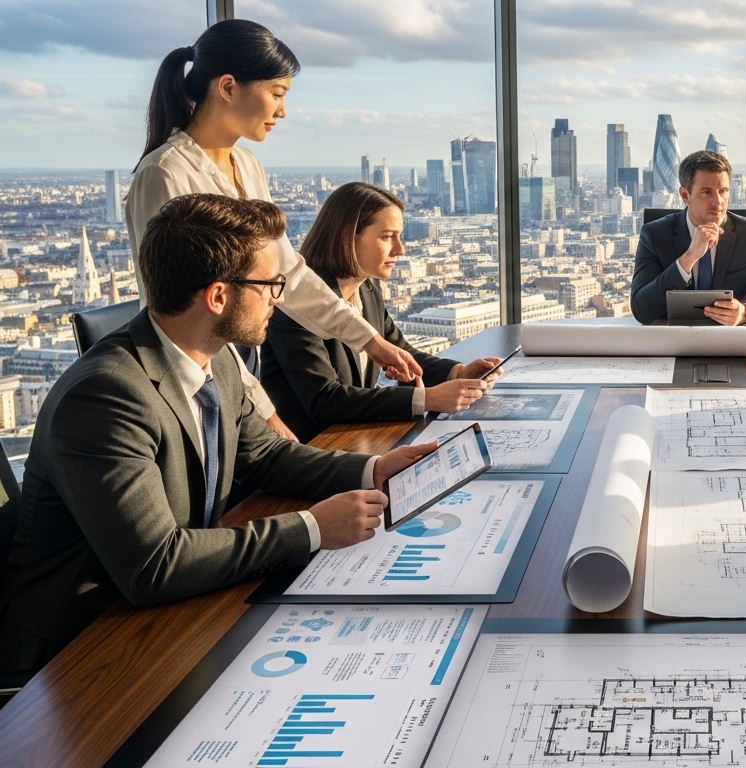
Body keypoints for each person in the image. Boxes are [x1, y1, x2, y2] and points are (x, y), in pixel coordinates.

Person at [0, 195, 438, 671]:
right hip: (84, 647)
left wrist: (373, 469)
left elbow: (265, 455)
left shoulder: (217, 355)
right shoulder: (105, 397)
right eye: (271, 284)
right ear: (217, 297)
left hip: (174, 607)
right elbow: (155, 565)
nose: (278, 297)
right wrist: (312, 527)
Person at [125, 19, 422, 441]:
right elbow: (183, 317)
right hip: (197, 386)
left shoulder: (247, 166)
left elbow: (288, 275)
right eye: (277, 94)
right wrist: (262, 411)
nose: (282, 111)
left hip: (243, 376)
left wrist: (369, 341)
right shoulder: (164, 174)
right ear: (227, 87)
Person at [261, 183, 504, 442]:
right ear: (347, 236)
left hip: (355, 440)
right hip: (311, 451)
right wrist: (427, 399)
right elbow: (325, 401)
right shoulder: (298, 303)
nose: (400, 249)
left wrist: (458, 373)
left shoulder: (367, 287)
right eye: (387, 236)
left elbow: (401, 352)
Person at [630, 150, 746, 325]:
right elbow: (641, 309)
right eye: (706, 192)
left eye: (723, 191)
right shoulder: (655, 234)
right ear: (685, 195)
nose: (718, 202)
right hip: (672, 342)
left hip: (729, 343)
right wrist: (688, 258)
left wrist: (745, 313)